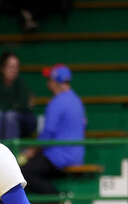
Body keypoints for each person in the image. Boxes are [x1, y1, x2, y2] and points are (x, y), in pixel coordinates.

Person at [20, 64, 86, 195]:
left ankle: (57, 200)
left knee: (23, 172)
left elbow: (48, 134)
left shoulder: (56, 102)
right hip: (76, 156)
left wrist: (32, 151)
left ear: (56, 82)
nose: (48, 83)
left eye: (49, 79)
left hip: (59, 157)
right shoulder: (77, 101)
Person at [0, 51, 37, 141]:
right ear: (2, 68)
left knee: (10, 116)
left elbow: (24, 107)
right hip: (2, 118)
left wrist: (9, 109)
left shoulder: (21, 83)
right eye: (10, 67)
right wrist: (12, 106)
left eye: (16, 67)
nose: (13, 70)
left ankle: (11, 148)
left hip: (24, 120)